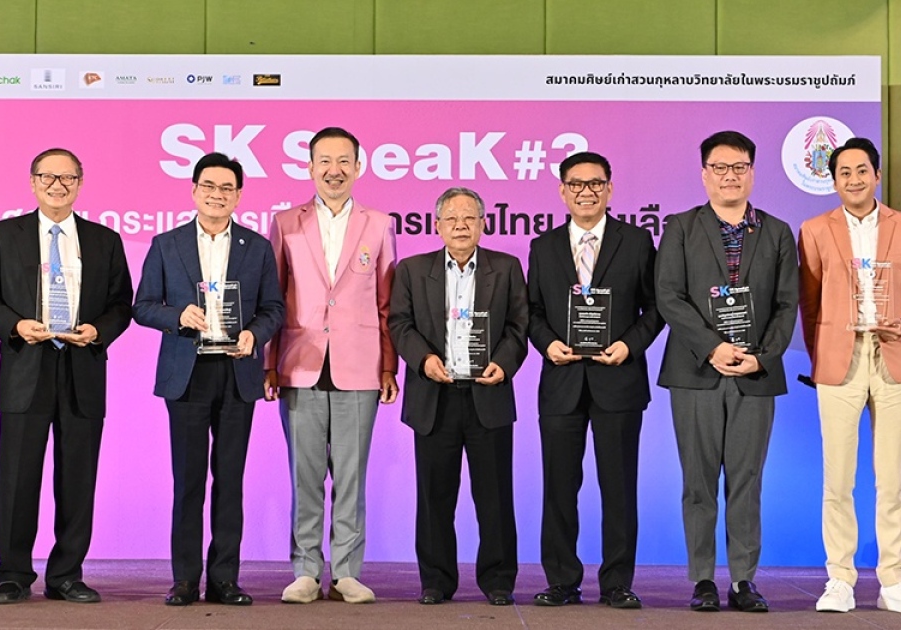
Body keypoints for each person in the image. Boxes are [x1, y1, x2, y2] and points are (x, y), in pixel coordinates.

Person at [0, 148, 133, 605]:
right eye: (48, 177)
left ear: (80, 184)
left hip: (83, 368)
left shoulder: (104, 240)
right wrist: (14, 325)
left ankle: (66, 574)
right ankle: (12, 574)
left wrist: (99, 330)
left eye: (67, 178)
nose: (57, 185)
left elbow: (121, 303)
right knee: (16, 478)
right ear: (32, 182)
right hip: (27, 366)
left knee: (78, 479)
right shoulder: (4, 234)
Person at [655, 130, 798, 613]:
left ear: (752, 173)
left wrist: (764, 356)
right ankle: (702, 579)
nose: (729, 176)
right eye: (720, 167)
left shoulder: (777, 232)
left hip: (755, 373)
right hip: (696, 370)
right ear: (704, 175)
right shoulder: (681, 227)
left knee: (746, 479)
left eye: (739, 167)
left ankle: (742, 580)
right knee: (697, 482)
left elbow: (787, 303)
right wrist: (713, 347)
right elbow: (668, 295)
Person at [133, 152, 284, 607]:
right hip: (187, 374)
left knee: (230, 480)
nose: (217, 195)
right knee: (188, 482)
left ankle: (224, 579)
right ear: (194, 190)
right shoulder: (167, 244)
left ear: (238, 196)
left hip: (237, 372)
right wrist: (178, 316)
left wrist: (254, 335)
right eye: (209, 186)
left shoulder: (257, 247)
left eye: (227, 188)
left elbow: (274, 309)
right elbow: (143, 306)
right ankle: (184, 579)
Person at [798, 137, 901, 614]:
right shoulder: (814, 230)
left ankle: (894, 580)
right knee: (838, 480)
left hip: (895, 356)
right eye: (844, 173)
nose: (854, 180)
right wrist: (822, 354)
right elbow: (809, 303)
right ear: (833, 181)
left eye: (862, 171)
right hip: (839, 363)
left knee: (891, 480)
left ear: (876, 176)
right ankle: (839, 578)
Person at [264, 127, 398, 604]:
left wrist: (389, 366)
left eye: (344, 161)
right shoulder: (285, 222)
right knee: (304, 476)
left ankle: (345, 572)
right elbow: (273, 298)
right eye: (325, 161)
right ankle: (305, 570)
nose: (334, 170)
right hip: (298, 364)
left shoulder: (379, 224)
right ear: (310, 167)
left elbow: (386, 304)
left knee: (351, 477)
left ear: (358, 167)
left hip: (360, 367)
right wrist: (269, 363)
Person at [527, 152, 663, 609]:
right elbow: (531, 311)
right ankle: (562, 580)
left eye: (595, 183)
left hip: (618, 379)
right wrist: (547, 344)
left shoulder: (637, 241)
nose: (586, 192)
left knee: (619, 487)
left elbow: (657, 306)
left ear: (609, 188)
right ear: (562, 191)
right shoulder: (543, 246)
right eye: (576, 184)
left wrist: (629, 345)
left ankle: (617, 582)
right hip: (562, 381)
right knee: (559, 487)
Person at [388, 187, 528, 606]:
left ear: (483, 223)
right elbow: (399, 324)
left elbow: (519, 325)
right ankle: (436, 581)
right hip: (435, 395)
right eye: (452, 218)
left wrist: (503, 362)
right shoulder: (413, 270)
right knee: (434, 497)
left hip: (488, 394)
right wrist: (423, 359)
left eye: (469, 218)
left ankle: (498, 581)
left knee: (495, 496)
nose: (461, 226)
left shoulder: (506, 268)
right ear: (437, 225)